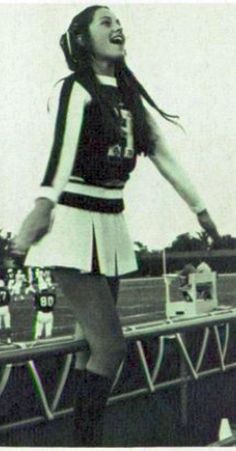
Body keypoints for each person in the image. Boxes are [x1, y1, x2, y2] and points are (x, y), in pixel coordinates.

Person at [14, 5, 219, 446]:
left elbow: (164, 155)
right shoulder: (76, 89)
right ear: (84, 39)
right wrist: (41, 206)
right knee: (111, 347)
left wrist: (201, 210)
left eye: (119, 21)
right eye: (105, 22)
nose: (117, 26)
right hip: (73, 228)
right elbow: (60, 154)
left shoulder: (128, 95)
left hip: (111, 225)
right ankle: (86, 441)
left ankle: (77, 433)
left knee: (91, 346)